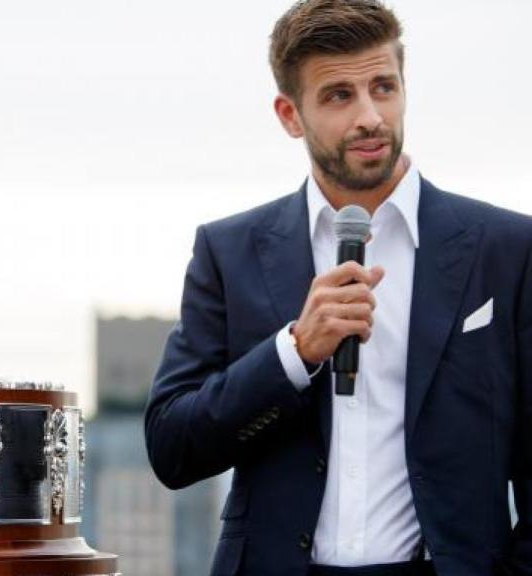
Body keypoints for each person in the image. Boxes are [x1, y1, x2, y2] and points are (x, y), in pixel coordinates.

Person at [142, 1, 532, 575]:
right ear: (290, 115)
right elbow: (172, 447)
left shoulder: (508, 249)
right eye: (339, 96)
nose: (370, 116)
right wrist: (294, 353)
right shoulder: (229, 251)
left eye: (383, 87)